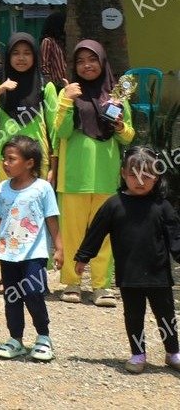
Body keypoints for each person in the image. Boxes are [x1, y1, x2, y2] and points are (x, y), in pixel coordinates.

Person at [74, 147, 180, 373]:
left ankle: (173, 352)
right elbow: (96, 232)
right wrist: (83, 257)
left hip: (159, 274)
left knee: (166, 315)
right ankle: (138, 354)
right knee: (134, 315)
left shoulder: (162, 206)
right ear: (123, 173)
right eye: (133, 175)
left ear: (157, 176)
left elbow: (175, 236)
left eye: (147, 175)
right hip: (129, 274)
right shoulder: (114, 205)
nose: (140, 181)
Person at [52, 40, 134, 307]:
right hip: (73, 177)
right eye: (80, 61)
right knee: (72, 233)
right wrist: (67, 101)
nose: (87, 65)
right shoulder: (68, 93)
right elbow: (61, 132)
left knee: (106, 236)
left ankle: (101, 286)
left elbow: (128, 137)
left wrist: (120, 126)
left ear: (103, 62)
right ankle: (72, 283)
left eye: (92, 59)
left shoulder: (117, 96)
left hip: (106, 177)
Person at [0, 136, 63, 361]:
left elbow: (52, 219)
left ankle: (43, 337)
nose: (5, 163)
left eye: (11, 159)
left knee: (33, 293)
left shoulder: (43, 188)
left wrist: (59, 249)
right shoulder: (3, 188)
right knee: (11, 297)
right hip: (8, 254)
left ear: (30, 163)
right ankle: (16, 339)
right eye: (4, 158)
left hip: (34, 253)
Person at [0, 32, 58, 172]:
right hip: (3, 161)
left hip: (36, 161)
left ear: (34, 56)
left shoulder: (46, 87)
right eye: (15, 53)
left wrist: (54, 166)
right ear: (8, 56)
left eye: (27, 53)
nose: (21, 58)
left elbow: (54, 129)